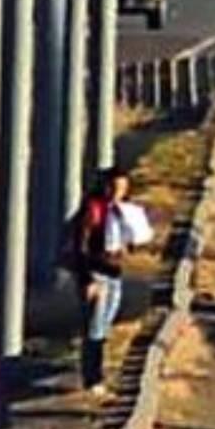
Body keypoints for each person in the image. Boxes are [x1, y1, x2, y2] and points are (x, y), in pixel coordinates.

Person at [69, 167, 141, 397]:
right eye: (113, 187)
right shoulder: (95, 209)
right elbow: (80, 246)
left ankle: (97, 372)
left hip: (114, 274)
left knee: (104, 326)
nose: (116, 193)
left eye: (121, 189)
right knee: (95, 329)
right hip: (96, 275)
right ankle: (93, 378)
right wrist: (87, 279)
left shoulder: (121, 211)